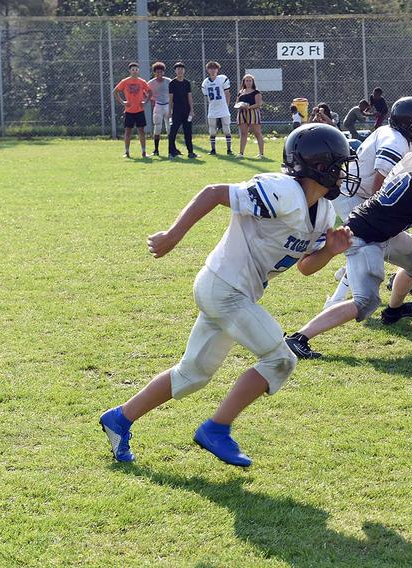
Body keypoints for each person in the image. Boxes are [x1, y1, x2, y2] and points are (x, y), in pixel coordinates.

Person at [99, 124, 359, 467]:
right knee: (281, 359)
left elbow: (305, 268)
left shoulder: (323, 212)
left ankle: (119, 419)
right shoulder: (281, 190)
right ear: (319, 165)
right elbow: (214, 192)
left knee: (192, 375)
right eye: (339, 165)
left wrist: (331, 251)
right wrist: (173, 236)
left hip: (235, 293)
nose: (344, 174)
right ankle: (216, 428)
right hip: (224, 288)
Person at [284, 124, 412, 360]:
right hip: (363, 237)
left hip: (384, 229)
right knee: (365, 302)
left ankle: (394, 311)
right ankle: (298, 338)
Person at [325, 96, 412, 309]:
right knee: (371, 242)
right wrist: (382, 215)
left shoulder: (396, 136)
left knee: (375, 244)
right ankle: (337, 299)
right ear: (407, 123)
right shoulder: (395, 141)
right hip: (354, 196)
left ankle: (347, 272)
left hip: (358, 194)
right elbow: (380, 182)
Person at [114, 62, 151, 158]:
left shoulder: (142, 82)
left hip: (139, 110)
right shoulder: (125, 81)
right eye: (133, 69)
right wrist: (123, 102)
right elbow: (115, 91)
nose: (134, 71)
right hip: (129, 111)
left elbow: (150, 92)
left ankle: (143, 152)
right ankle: (127, 152)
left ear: (138, 71)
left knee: (141, 131)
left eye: (136, 69)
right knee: (128, 131)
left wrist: (145, 102)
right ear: (129, 71)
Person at [200, 61, 232, 155]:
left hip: (223, 107)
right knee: (212, 129)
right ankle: (213, 150)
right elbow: (207, 97)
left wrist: (226, 105)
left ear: (217, 69)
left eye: (214, 68)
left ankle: (229, 150)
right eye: (210, 68)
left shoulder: (222, 79)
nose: (213, 70)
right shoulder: (205, 82)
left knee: (226, 128)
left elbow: (227, 93)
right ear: (207, 70)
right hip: (213, 108)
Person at [167, 61, 197, 159]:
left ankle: (191, 152)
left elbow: (189, 97)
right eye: (178, 69)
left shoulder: (187, 83)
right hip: (176, 111)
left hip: (186, 111)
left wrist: (191, 110)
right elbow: (170, 98)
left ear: (184, 71)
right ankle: (171, 152)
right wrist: (169, 111)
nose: (180, 71)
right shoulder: (172, 83)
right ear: (175, 71)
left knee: (188, 132)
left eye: (181, 69)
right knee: (173, 132)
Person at [234, 74, 265, 158]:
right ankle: (241, 153)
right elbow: (236, 103)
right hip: (242, 113)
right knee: (243, 133)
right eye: (246, 80)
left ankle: (261, 153)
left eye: (250, 80)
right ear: (244, 82)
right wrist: (241, 106)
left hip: (253, 114)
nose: (248, 82)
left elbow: (258, 104)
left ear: (253, 82)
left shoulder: (256, 92)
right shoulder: (240, 92)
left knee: (257, 133)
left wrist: (249, 107)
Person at [148, 61, 171, 157]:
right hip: (158, 106)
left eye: (161, 72)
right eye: (157, 72)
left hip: (168, 106)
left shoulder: (169, 81)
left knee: (170, 128)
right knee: (157, 128)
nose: (159, 74)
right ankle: (156, 149)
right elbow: (147, 93)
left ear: (163, 72)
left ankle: (172, 149)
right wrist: (152, 100)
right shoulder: (151, 83)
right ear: (154, 72)